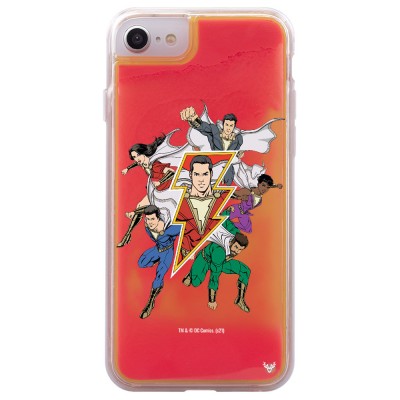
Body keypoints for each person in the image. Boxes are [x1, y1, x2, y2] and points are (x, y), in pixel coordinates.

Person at [182, 210, 251, 312]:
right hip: (205, 259)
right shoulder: (219, 252)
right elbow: (214, 277)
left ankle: (240, 299)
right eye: (236, 247)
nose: (237, 251)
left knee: (245, 271)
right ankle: (191, 274)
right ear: (231, 242)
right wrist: (212, 300)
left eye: (240, 249)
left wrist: (228, 210)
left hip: (223, 261)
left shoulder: (235, 232)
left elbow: (225, 218)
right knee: (195, 282)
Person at [138, 205, 181, 319]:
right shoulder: (147, 225)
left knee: (159, 277)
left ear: (158, 218)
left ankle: (150, 302)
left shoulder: (169, 228)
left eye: (152, 219)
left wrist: (186, 251)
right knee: (141, 263)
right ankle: (156, 261)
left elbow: (185, 228)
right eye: (148, 219)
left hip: (167, 252)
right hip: (157, 249)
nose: (150, 222)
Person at [180, 106, 243, 185]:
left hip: (228, 169)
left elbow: (237, 151)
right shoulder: (215, 130)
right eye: (227, 125)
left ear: (234, 126)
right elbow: (203, 127)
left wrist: (239, 154)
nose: (228, 128)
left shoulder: (238, 138)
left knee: (227, 185)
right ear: (223, 124)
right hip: (214, 164)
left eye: (231, 126)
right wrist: (194, 119)